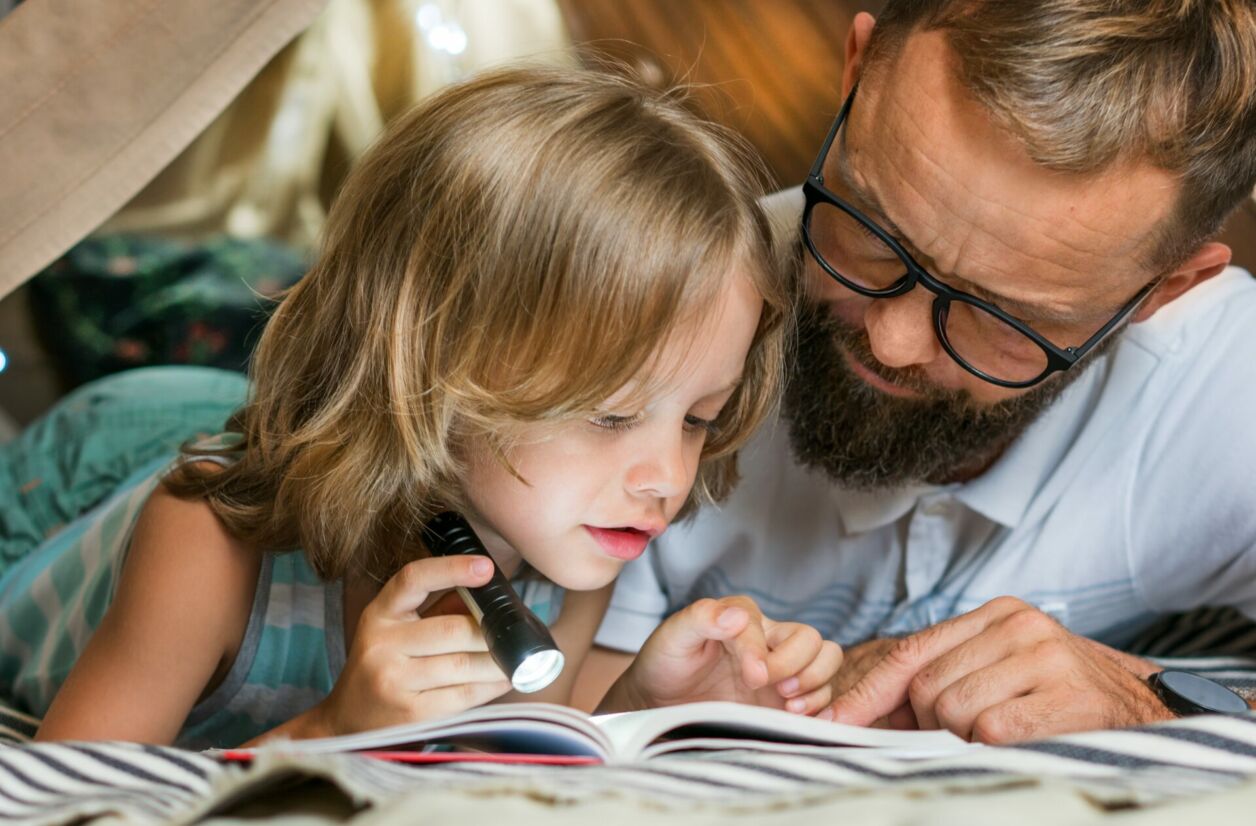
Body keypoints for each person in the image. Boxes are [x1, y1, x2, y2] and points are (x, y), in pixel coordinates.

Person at [0, 66, 842, 749]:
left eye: (698, 418)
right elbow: (73, 804)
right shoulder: (206, 545)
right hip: (79, 478)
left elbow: (506, 765)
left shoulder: (563, 566)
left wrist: (641, 706)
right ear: (435, 366)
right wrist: (329, 730)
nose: (665, 479)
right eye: (612, 416)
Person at [587, 1, 1256, 742]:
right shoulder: (642, 329)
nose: (895, 340)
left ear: (1165, 291)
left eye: (1000, 314)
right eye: (873, 232)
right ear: (856, 73)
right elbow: (554, 733)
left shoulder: (1224, 386)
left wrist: (1152, 708)